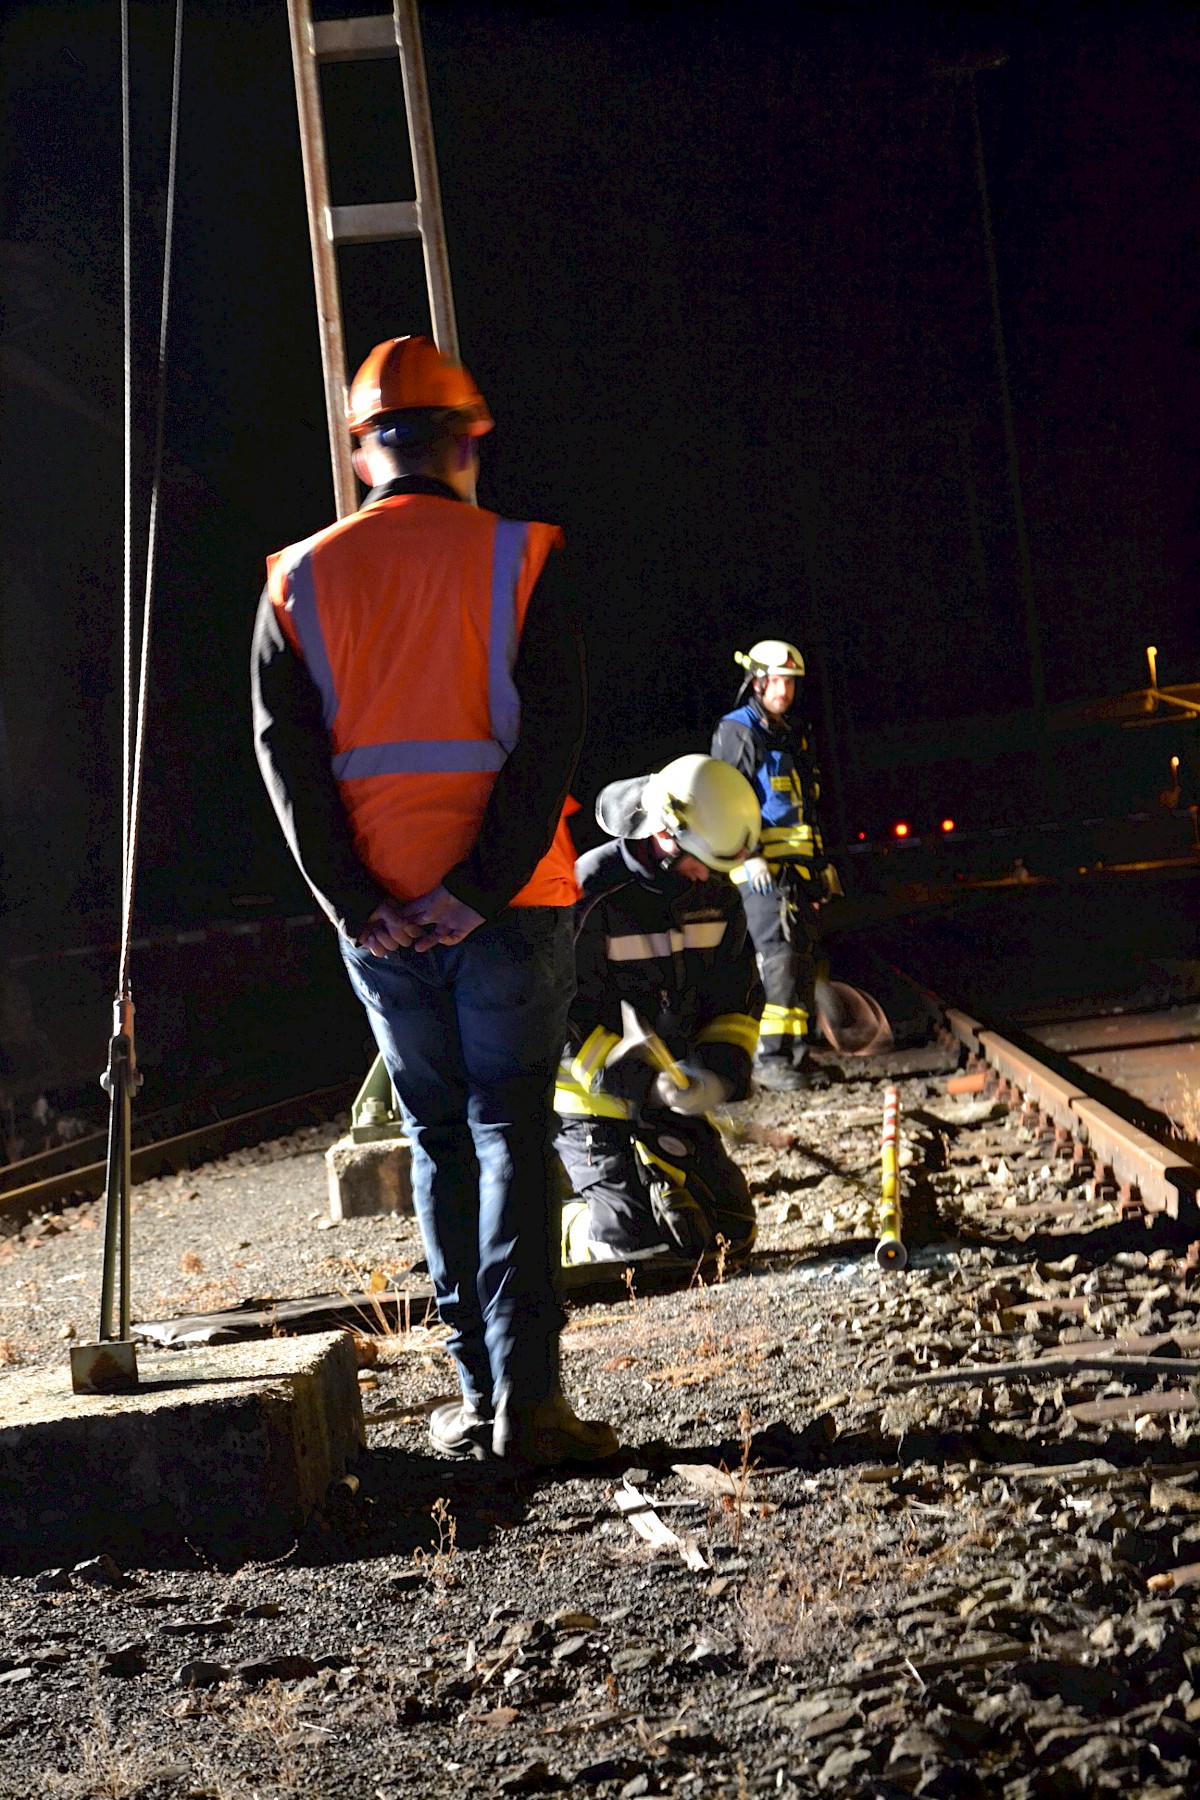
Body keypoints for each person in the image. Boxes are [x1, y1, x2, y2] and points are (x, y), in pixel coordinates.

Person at [251, 334, 616, 1467]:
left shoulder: (296, 579)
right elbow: (549, 738)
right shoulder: (522, 556)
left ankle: (471, 1395)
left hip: (384, 921)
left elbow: (287, 760)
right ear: (468, 442)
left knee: (437, 1140)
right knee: (512, 1130)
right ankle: (531, 1406)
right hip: (506, 905)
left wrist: (359, 902)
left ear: (364, 454)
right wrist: (475, 889)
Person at [554, 754, 763, 1265]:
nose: (712, 879)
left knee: (733, 1233)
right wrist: (636, 1077)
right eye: (707, 863)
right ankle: (556, 1224)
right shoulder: (590, 893)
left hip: (663, 1093)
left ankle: (655, 1180)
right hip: (588, 1097)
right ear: (666, 837)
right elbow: (560, 1017)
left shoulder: (712, 894)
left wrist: (716, 1070)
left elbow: (735, 997)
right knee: (628, 1247)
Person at [711, 640, 841, 1092]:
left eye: (790, 682)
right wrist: (747, 859)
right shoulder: (739, 731)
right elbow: (725, 800)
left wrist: (821, 866)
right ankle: (770, 1060)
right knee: (778, 962)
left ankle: (796, 1055)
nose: (784, 690)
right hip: (763, 875)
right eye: (777, 681)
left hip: (798, 873)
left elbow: (805, 807)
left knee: (802, 964)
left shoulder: (789, 734)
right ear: (757, 681)